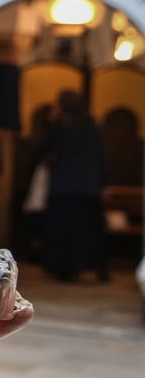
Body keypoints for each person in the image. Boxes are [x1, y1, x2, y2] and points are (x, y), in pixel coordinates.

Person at [38, 89, 108, 282]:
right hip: (86, 187)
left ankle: (64, 268)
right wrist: (103, 183)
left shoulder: (59, 125)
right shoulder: (90, 124)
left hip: (63, 187)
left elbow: (43, 149)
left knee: (64, 229)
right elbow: (101, 156)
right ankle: (86, 267)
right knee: (84, 230)